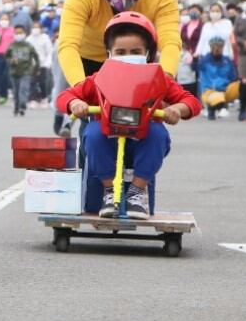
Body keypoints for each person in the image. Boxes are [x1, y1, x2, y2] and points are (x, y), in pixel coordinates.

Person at [59, 12, 200, 219]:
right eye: (120, 52)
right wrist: (75, 103)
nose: (127, 55)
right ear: (109, 53)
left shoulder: (158, 79)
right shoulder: (99, 78)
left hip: (142, 140)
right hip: (107, 138)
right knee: (93, 133)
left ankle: (137, 191)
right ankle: (109, 191)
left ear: (147, 53)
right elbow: (66, 96)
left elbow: (192, 101)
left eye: (135, 51)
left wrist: (178, 109)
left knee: (157, 134)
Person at [58, 0, 181, 87]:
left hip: (135, 60)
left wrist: (165, 80)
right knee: (74, 101)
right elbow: (68, 45)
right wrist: (80, 87)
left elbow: (170, 43)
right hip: (85, 59)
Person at [198, 37, 240, 121]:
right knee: (217, 97)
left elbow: (234, 77)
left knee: (244, 85)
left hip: (225, 90)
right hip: (210, 90)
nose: (217, 49)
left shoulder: (227, 60)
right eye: (215, 46)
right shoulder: (204, 61)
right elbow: (196, 69)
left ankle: (243, 112)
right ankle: (212, 109)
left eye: (219, 46)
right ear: (211, 47)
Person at [5, 25, 39, 116]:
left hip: (26, 71)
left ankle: (22, 106)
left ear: (24, 34)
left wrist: (36, 68)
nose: (19, 35)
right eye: (17, 33)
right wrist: (11, 61)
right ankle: (16, 107)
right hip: (14, 72)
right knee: (15, 91)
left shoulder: (29, 46)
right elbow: (7, 56)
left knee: (23, 89)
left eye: (20, 33)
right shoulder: (12, 46)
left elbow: (36, 57)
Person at [26, 21, 54, 108]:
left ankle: (44, 98)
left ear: (41, 29)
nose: (35, 29)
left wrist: (47, 63)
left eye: (37, 27)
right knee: (32, 82)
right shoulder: (29, 39)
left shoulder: (45, 38)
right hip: (32, 65)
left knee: (43, 82)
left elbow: (49, 52)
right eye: (34, 27)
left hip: (43, 64)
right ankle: (33, 99)